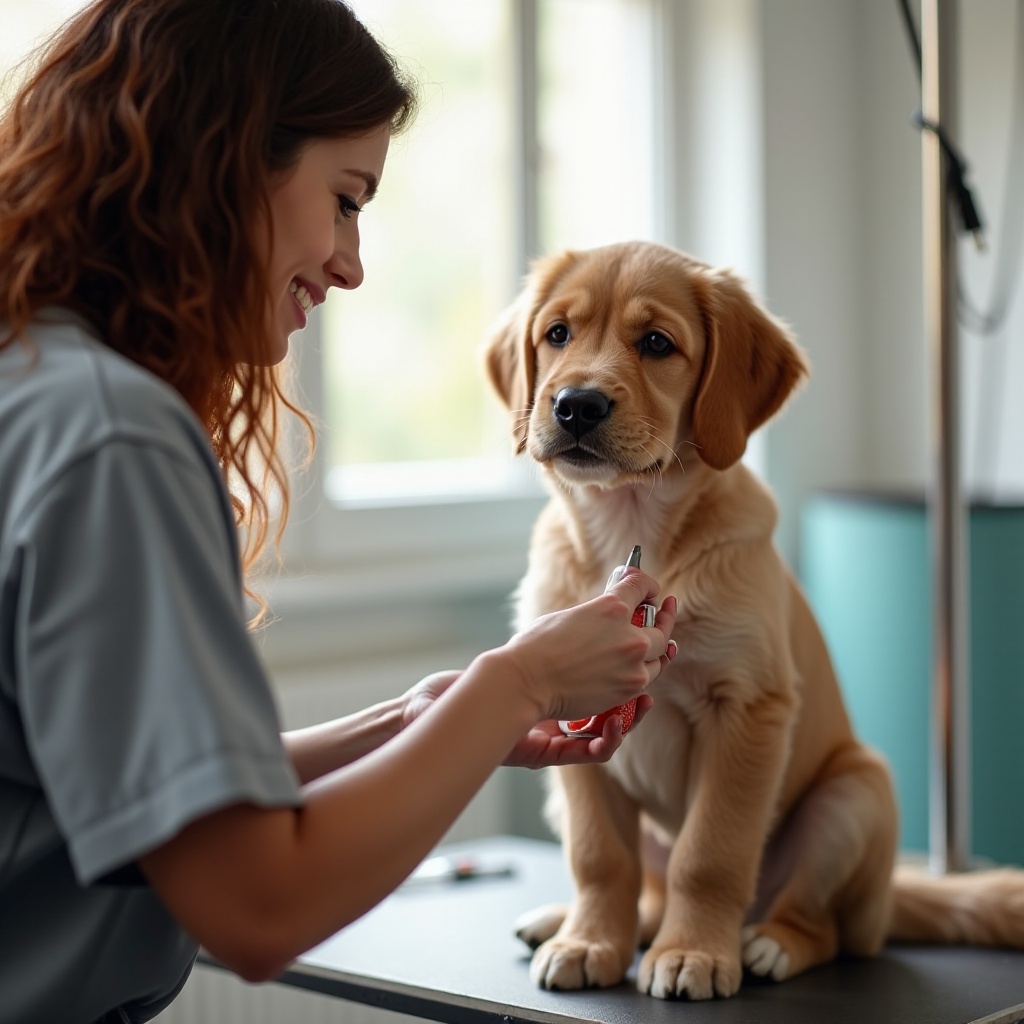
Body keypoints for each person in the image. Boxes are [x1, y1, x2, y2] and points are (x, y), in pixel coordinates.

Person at [0, 2, 678, 1021]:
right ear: (226, 160)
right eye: (346, 198)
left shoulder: (34, 377)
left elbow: (132, 792)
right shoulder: (112, 436)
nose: (352, 262)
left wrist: (422, 722)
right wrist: (517, 679)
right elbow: (256, 902)